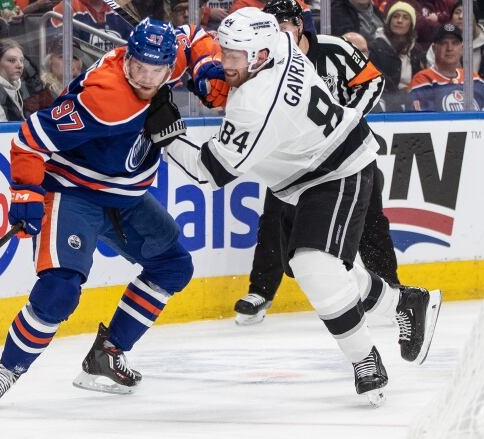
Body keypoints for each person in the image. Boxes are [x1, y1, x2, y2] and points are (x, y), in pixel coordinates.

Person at [154, 7, 441, 403]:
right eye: (225, 53)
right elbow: (221, 51)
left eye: (234, 57)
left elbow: (211, 171)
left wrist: (167, 134)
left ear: (258, 56)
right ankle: (405, 301)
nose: (226, 62)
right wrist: (209, 66)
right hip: (303, 176)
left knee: (313, 265)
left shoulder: (255, 104)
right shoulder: (282, 43)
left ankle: (365, 360)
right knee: (326, 272)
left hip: (336, 169)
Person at [0, 17, 227, 405]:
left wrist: (206, 68)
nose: (145, 78)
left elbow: (193, 35)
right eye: (138, 67)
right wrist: (25, 192)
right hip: (74, 189)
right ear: (127, 57)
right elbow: (29, 140)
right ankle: (8, 367)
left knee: (174, 266)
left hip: (126, 196)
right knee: (60, 288)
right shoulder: (104, 99)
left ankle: (106, 354)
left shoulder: (166, 58)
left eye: (156, 70)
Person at [233, 0, 396, 326]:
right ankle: (261, 291)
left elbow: (372, 81)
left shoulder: (333, 48)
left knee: (370, 220)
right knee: (274, 220)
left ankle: (390, 289)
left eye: (283, 26)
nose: (279, 34)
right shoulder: (269, 65)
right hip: (293, 163)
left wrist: (349, 118)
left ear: (299, 23)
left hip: (349, 156)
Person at [409, 23, 484, 111]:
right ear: (434, 49)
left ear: (462, 49)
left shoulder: (473, 78)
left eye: (455, 43)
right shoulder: (423, 79)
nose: (449, 48)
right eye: (443, 43)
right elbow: (425, 120)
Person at [369, 1, 426, 111]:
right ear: (389, 21)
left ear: (411, 24)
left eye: (405, 18)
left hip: (411, 102)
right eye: (395, 16)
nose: (399, 21)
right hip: (384, 101)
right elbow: (376, 82)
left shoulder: (417, 51)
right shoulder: (375, 48)